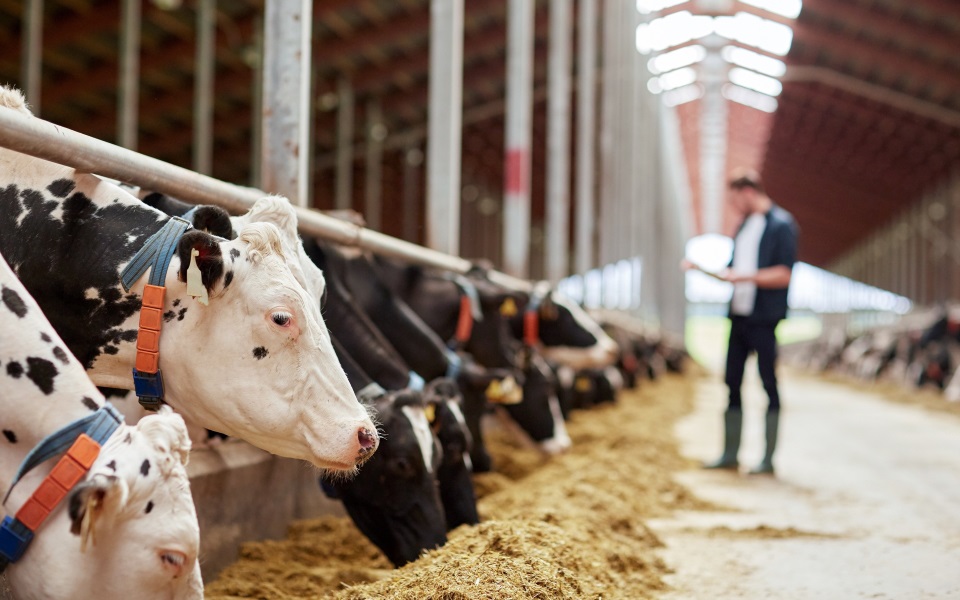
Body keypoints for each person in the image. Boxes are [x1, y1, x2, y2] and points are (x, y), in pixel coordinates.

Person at [682, 168, 799, 475]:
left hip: (764, 318)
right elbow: (730, 273)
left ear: (748, 193)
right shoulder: (744, 227)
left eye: (734, 200)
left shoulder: (782, 225)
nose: (733, 207)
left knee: (767, 382)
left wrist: (744, 276)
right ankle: (730, 453)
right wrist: (701, 269)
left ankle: (767, 459)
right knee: (731, 382)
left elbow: (784, 274)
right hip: (738, 316)